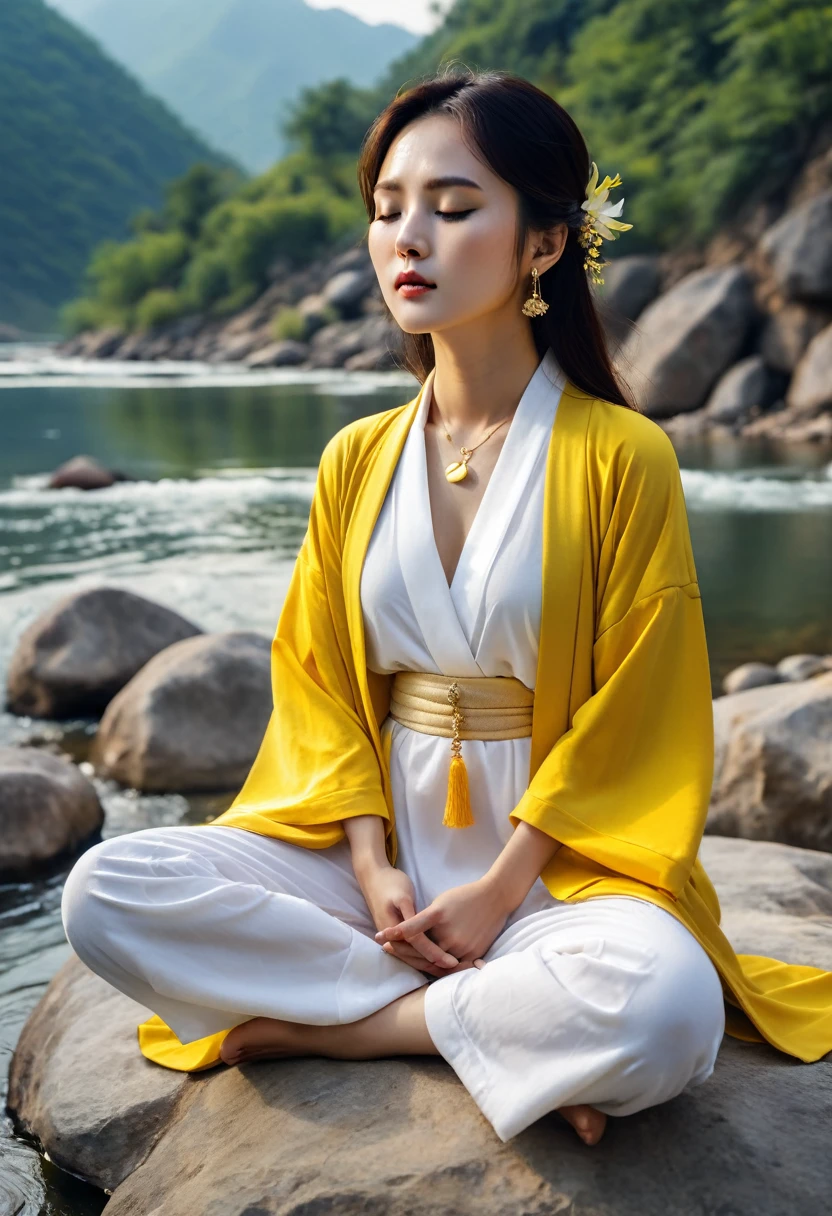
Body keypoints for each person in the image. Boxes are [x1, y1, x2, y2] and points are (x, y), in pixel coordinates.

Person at [60, 69, 832, 1149]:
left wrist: (497, 888)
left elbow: (643, 706)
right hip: (373, 866)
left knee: (665, 1008)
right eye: (386, 210)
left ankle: (351, 1026)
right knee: (104, 889)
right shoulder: (354, 459)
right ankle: (493, 1023)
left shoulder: (623, 456)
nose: (407, 238)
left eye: (454, 207)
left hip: (557, 868)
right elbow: (323, 686)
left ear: (543, 244)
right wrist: (372, 865)